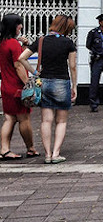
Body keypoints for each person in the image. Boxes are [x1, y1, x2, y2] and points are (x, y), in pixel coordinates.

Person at [18, 14, 77, 164]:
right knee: (61, 121)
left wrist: (34, 72)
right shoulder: (68, 43)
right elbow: (73, 66)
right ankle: (56, 153)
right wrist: (74, 86)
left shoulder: (41, 40)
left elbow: (21, 58)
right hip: (61, 82)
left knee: (46, 120)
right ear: (66, 28)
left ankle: (47, 154)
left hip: (43, 81)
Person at [0, 14, 39, 160]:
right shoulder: (13, 44)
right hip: (16, 86)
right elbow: (18, 65)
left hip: (6, 85)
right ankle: (31, 148)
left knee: (9, 118)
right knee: (24, 118)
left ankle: (4, 149)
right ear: (13, 26)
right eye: (19, 24)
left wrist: (23, 46)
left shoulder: (3, 43)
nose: (21, 27)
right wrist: (28, 84)